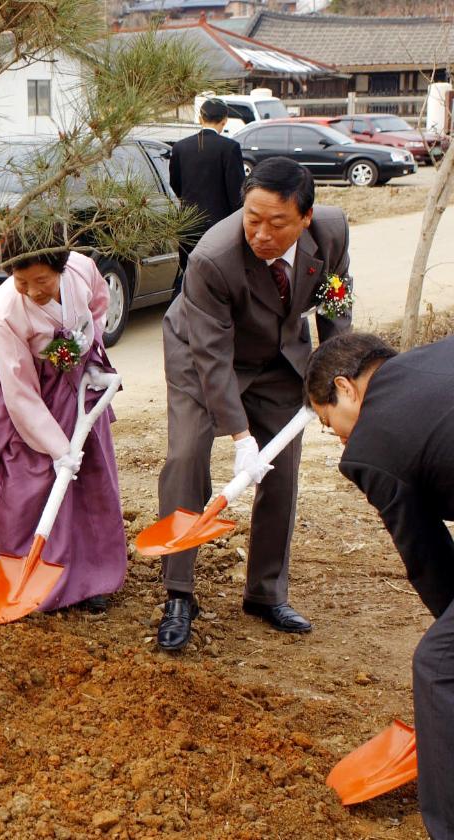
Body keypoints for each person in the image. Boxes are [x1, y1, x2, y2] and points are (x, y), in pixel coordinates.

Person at [154, 156, 351, 651]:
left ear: (305, 217)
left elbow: (335, 307)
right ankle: (178, 594)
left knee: (281, 467)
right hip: (201, 353)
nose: (261, 233)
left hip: (279, 356)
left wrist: (335, 377)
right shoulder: (212, 258)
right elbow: (214, 358)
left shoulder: (332, 234)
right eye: (251, 218)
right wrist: (242, 438)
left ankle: (265, 592)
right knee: (187, 456)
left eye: (276, 222)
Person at [304, 332, 454, 840]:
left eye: (329, 424)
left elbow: (426, 557)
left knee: (439, 666)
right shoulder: (439, 355)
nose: (339, 438)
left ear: (345, 388)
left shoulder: (373, 445)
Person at [0, 233, 125, 613]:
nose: (32, 291)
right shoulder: (7, 312)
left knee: (89, 471)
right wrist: (58, 448)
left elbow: (97, 307)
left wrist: (90, 355)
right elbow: (20, 393)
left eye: (42, 281)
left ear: (61, 266)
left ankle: (90, 576)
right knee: (30, 477)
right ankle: (14, 571)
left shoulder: (81, 269)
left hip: (72, 378)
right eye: (21, 281)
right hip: (22, 386)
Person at [169, 98, 245, 286]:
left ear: (200, 118)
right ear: (224, 120)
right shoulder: (229, 148)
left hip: (189, 223)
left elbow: (175, 183)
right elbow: (237, 192)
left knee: (189, 275)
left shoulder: (180, 147)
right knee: (220, 278)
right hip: (221, 225)